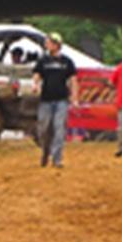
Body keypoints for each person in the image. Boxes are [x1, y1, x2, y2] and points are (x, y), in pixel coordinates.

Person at [32, 32, 77, 168]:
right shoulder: (43, 61)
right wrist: (35, 85)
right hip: (45, 99)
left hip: (61, 100)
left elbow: (73, 81)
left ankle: (57, 158)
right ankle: (46, 150)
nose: (47, 44)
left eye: (50, 42)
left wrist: (74, 98)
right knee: (43, 128)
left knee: (59, 128)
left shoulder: (67, 62)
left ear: (57, 45)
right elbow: (37, 75)